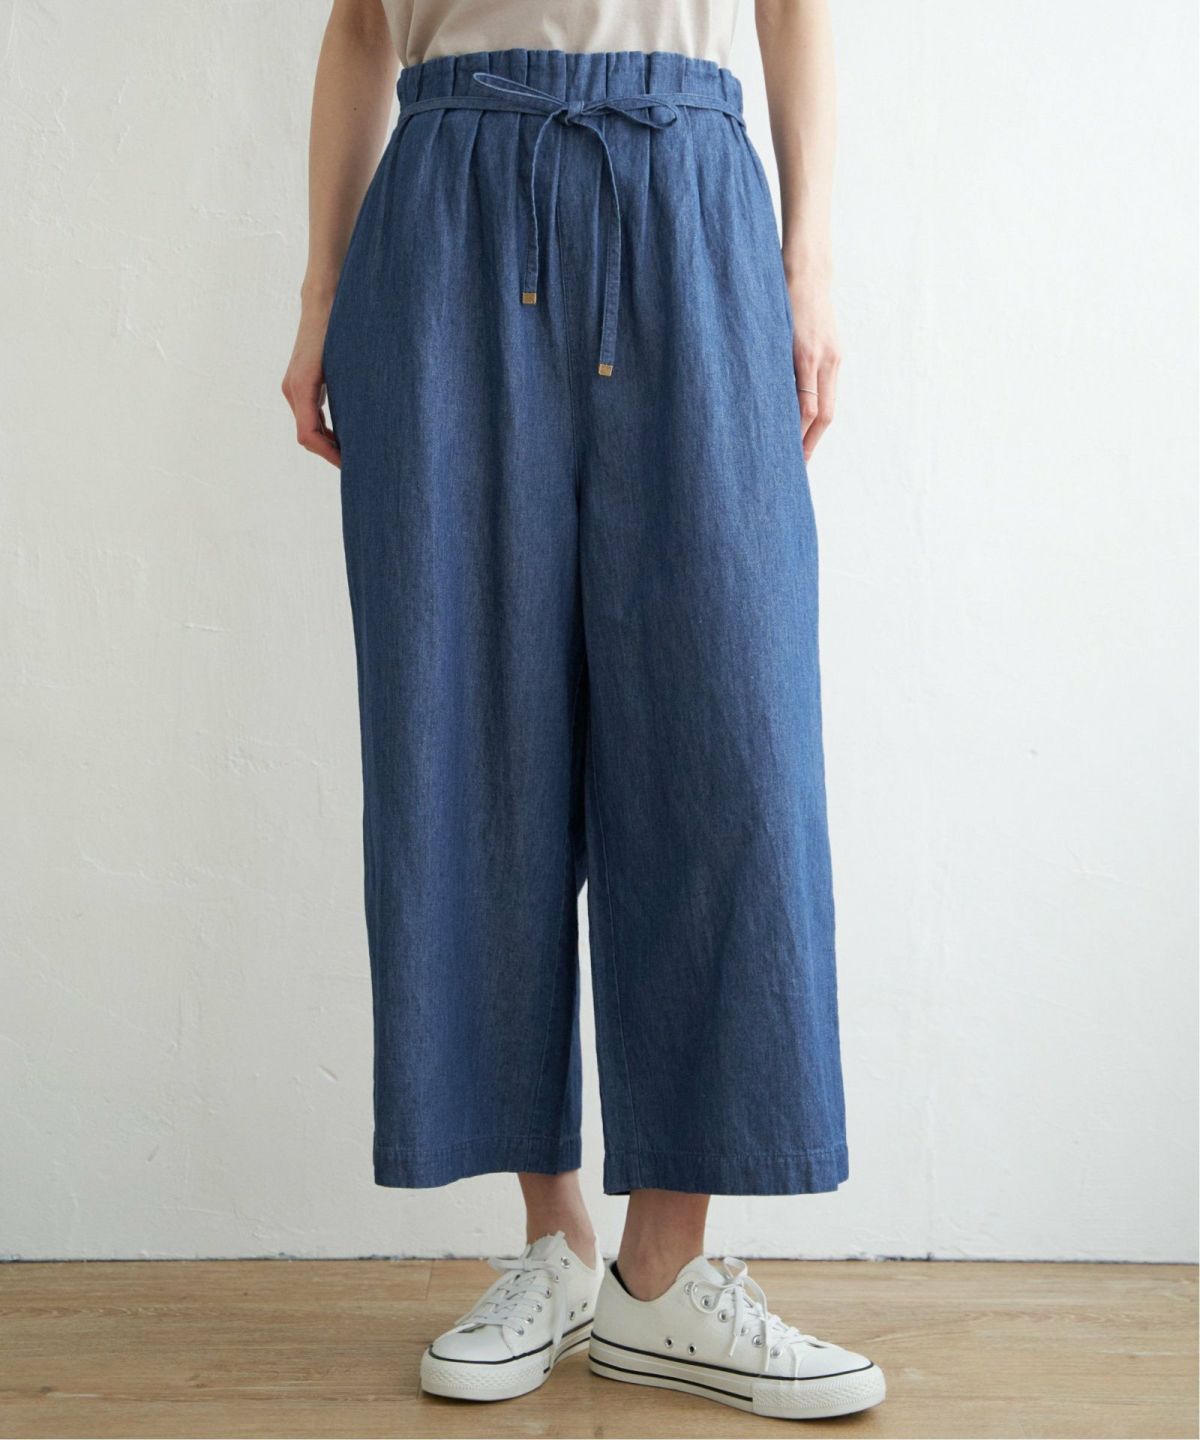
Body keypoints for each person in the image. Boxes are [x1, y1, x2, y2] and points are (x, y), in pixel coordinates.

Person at [282, 0, 884, 1420]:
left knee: (730, 740)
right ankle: (553, 1245)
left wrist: (808, 261)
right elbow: (362, 27)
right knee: (463, 729)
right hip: (449, 206)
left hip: (690, 192)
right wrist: (319, 296)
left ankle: (662, 1275)